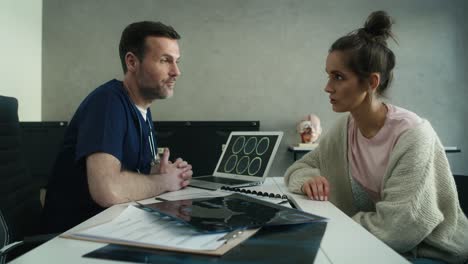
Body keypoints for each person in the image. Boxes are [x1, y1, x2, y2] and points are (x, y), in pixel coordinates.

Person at [284, 11, 468, 263]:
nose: (327, 87)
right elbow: (299, 167)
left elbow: (401, 227)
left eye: (338, 77)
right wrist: (308, 180)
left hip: (431, 250)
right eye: (328, 75)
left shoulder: (413, 135)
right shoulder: (344, 128)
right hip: (376, 242)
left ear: (371, 82)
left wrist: (333, 226)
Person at [41, 21, 193, 233]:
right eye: (165, 60)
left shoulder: (143, 110)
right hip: (75, 237)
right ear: (132, 62)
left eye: (177, 61)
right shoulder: (108, 103)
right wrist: (164, 181)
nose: (176, 71)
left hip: (114, 226)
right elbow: (108, 189)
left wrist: (156, 172)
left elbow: (129, 172)